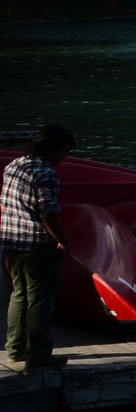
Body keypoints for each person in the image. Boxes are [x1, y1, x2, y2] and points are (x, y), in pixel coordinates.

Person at [2, 124, 72, 371]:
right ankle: (39, 355)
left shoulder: (15, 165)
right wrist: (63, 240)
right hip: (37, 245)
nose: (65, 156)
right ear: (54, 149)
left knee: (18, 294)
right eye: (64, 150)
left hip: (11, 241)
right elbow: (48, 213)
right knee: (40, 299)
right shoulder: (45, 173)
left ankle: (15, 349)